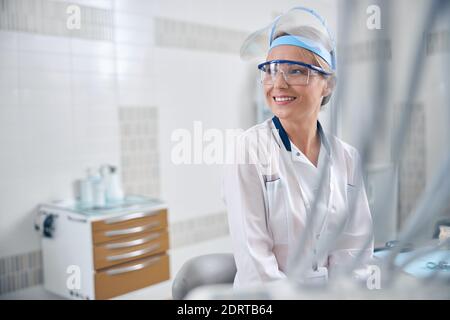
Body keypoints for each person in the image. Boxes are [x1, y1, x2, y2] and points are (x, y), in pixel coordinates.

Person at [223, 7, 374, 289]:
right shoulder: (249, 151)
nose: (278, 84)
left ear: (328, 84)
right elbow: (257, 268)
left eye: (295, 71)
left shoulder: (347, 159)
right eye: (270, 71)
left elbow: (355, 255)